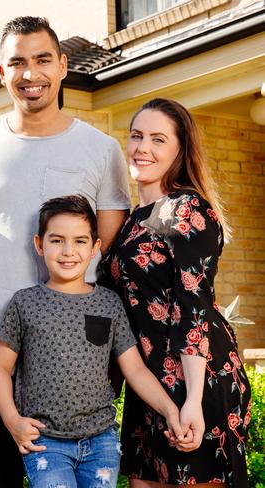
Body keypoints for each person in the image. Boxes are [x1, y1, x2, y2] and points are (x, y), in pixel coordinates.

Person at [0, 15, 131, 487]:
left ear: (64, 65)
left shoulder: (101, 149)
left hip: (76, 362)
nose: (31, 74)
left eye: (43, 59)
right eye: (18, 63)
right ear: (0, 72)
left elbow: (104, 261)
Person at [100, 98, 252, 487]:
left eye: (157, 139)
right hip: (148, 384)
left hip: (195, 377)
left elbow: (193, 307)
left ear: (180, 150)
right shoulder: (133, 219)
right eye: (136, 136)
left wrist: (193, 402)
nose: (142, 148)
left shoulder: (189, 210)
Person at [0, 195, 185, 488]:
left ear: (95, 247)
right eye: (57, 240)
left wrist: (170, 411)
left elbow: (134, 370)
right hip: (45, 441)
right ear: (39, 244)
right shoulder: (25, 302)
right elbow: (0, 369)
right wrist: (12, 420)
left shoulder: (108, 303)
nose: (69, 251)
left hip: (101, 441)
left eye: (80, 241)